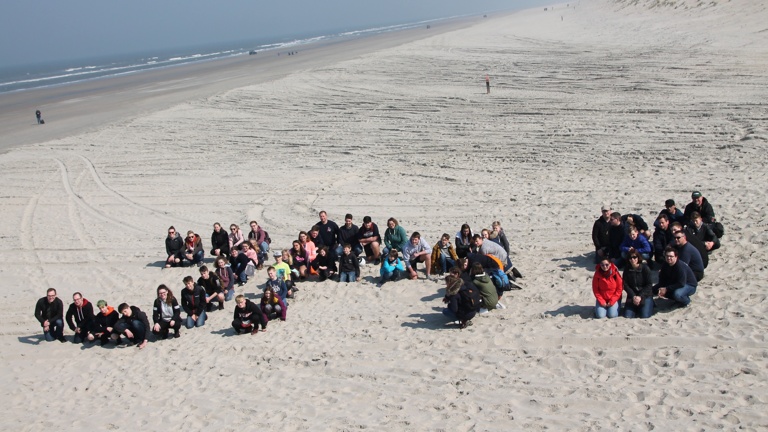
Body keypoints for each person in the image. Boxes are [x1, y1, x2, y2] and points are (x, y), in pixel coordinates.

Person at [622, 251, 654, 318]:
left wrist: (640, 296)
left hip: (645, 295)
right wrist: (633, 296)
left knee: (644, 315)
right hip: (632, 295)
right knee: (627, 316)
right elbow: (625, 285)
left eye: (634, 257)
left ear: (638, 258)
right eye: (630, 258)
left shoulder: (645, 268)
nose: (632, 259)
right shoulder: (627, 269)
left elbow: (649, 285)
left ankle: (650, 304)